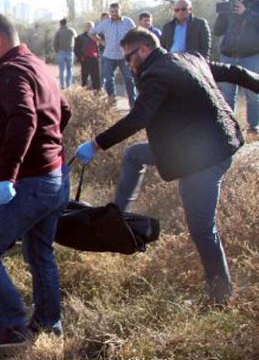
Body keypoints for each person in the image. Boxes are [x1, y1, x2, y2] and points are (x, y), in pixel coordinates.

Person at [74, 27, 259, 304]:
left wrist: (97, 144)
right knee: (135, 155)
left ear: (144, 50)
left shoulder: (156, 74)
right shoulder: (188, 58)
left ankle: (220, 296)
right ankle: (119, 219)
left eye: (129, 57)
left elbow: (138, 118)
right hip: (199, 146)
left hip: (205, 158)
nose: (127, 64)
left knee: (201, 229)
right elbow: (236, 72)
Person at [0, 12, 70, 347]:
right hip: (54, 175)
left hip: (31, 182)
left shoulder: (10, 72)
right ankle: (49, 323)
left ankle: (12, 325)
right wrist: (48, 148)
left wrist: (7, 176)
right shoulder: (38, 65)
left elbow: (24, 119)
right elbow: (63, 111)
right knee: (40, 254)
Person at [214, 0, 259, 134]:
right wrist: (222, 14)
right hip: (228, 55)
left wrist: (246, 12)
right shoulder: (230, 5)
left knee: (253, 93)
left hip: (251, 55)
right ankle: (228, 125)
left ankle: (254, 125)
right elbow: (218, 31)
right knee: (227, 94)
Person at [90, 3, 137, 107]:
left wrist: (131, 47)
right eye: (112, 12)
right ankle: (112, 103)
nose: (114, 13)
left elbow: (136, 34)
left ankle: (133, 105)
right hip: (109, 56)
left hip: (124, 56)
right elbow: (92, 32)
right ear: (109, 12)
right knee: (108, 80)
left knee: (129, 79)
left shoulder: (128, 22)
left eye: (116, 11)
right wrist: (101, 42)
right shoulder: (105, 23)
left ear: (120, 10)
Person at [74, 21, 101, 90]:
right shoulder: (80, 37)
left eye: (90, 26)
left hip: (95, 59)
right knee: (84, 78)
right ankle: (84, 94)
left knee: (96, 78)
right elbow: (76, 49)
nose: (89, 28)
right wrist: (81, 58)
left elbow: (101, 46)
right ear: (85, 27)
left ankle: (97, 95)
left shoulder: (97, 36)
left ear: (94, 27)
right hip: (85, 59)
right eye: (87, 26)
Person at [53, 18, 77, 89]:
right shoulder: (71, 30)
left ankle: (62, 85)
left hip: (61, 52)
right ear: (66, 23)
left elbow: (55, 43)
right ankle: (69, 85)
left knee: (62, 70)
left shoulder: (58, 32)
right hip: (70, 51)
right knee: (69, 69)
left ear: (60, 24)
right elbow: (76, 38)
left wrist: (56, 51)